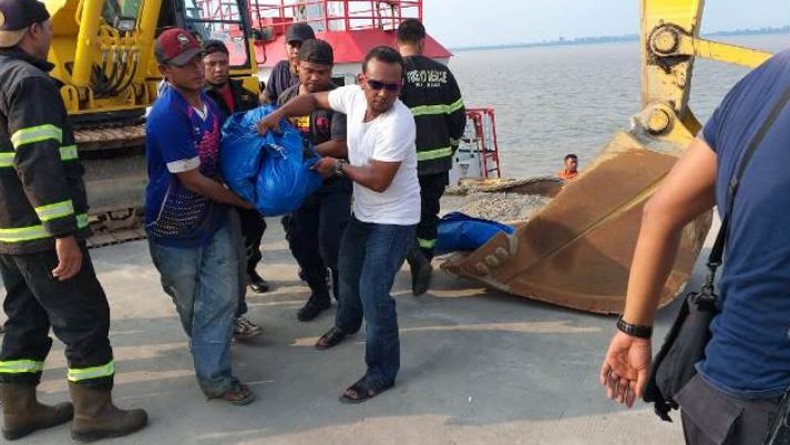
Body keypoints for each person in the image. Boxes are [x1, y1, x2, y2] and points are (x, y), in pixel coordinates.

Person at [599, 50, 790, 444]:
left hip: (715, 399)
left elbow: (660, 213)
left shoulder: (760, 80)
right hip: (775, 408)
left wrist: (634, 330)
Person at [0, 0, 148, 440]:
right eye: (46, 26)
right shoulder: (29, 82)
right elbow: (39, 161)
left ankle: (19, 408)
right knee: (84, 318)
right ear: (34, 31)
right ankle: (94, 413)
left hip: (8, 231)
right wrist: (63, 232)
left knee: (25, 315)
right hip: (41, 232)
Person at [258, 46, 419, 403]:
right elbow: (313, 100)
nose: (383, 94)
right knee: (345, 269)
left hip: (394, 219)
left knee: (374, 292)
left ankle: (381, 372)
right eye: (376, 84)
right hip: (365, 212)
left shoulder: (399, 123)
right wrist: (279, 113)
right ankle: (347, 324)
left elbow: (378, 180)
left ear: (400, 86)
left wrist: (336, 165)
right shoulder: (352, 97)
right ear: (362, 80)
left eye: (393, 87)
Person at [146, 28, 255, 405]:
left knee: (223, 297)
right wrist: (242, 201)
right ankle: (210, 351)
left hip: (213, 218)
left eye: (197, 60)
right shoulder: (166, 115)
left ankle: (216, 379)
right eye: (184, 64)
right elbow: (191, 179)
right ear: (165, 71)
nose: (195, 69)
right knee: (191, 304)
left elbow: (222, 154)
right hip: (174, 225)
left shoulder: (208, 104)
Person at [277, 39, 351, 322]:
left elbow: (340, 145)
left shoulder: (339, 100)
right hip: (299, 188)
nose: (316, 77)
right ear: (297, 66)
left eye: (323, 71)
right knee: (301, 243)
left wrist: (302, 155)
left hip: (333, 183)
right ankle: (319, 294)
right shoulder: (286, 100)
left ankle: (346, 298)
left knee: (332, 244)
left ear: (331, 70)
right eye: (310, 70)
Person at [396, 18, 466, 296]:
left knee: (399, 216)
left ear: (397, 42)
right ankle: (423, 266)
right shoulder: (442, 73)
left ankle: (414, 260)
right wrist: (449, 149)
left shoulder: (393, 72)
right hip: (437, 163)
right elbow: (458, 118)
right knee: (428, 216)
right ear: (422, 41)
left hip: (403, 163)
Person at [202, 39, 266, 340]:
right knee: (225, 253)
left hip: (244, 176)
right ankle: (232, 313)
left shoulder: (244, 93)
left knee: (255, 226)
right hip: (216, 181)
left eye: (222, 63)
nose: (218, 69)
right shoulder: (199, 100)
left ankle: (250, 268)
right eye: (211, 64)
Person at [262, 22, 315, 104]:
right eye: (292, 45)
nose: (296, 50)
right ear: (285, 46)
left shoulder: (316, 74)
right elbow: (266, 97)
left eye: (301, 45)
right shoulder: (280, 69)